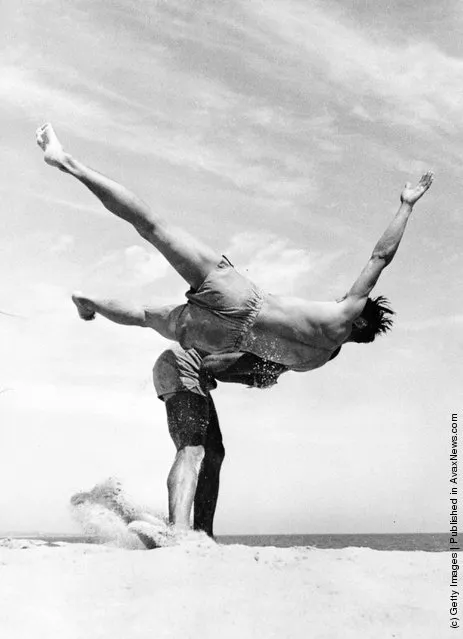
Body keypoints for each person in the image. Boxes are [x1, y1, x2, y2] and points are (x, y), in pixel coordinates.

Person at [36, 123, 434, 377]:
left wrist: (406, 205)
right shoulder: (314, 362)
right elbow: (253, 372)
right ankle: (87, 300)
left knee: (154, 227)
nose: (339, 297)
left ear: (359, 325)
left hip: (242, 300)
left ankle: (68, 163)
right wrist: (212, 370)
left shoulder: (344, 315)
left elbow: (380, 256)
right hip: (223, 337)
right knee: (144, 317)